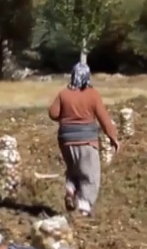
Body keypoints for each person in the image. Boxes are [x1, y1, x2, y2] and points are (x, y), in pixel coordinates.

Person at [48, 63, 120, 217]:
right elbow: (104, 119)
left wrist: (67, 115)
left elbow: (53, 113)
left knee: (74, 168)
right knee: (90, 175)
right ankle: (84, 208)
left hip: (66, 140)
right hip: (86, 141)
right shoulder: (92, 94)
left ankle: (71, 189)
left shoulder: (63, 94)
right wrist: (113, 137)